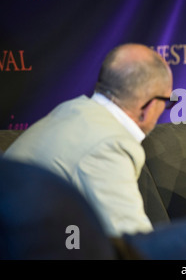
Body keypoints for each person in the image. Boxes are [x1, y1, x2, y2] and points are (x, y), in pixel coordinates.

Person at [3, 43, 174, 238]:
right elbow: (133, 242)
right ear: (149, 106)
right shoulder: (109, 144)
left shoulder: (71, 109)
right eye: (168, 101)